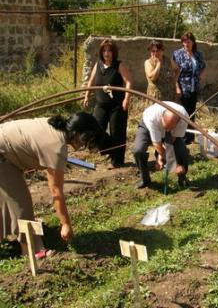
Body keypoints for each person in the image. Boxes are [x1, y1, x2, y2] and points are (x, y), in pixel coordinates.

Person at [0, 112, 108, 258]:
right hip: (3, 156)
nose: (84, 145)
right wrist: (65, 224)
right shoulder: (56, 147)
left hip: (7, 154)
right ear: (77, 134)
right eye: (85, 140)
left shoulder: (56, 128)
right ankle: (33, 251)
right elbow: (56, 192)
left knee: (8, 200)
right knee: (20, 203)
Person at [83, 38, 133, 169]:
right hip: (101, 104)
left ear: (113, 52)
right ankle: (110, 150)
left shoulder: (119, 65)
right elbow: (91, 81)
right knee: (95, 128)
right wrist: (87, 95)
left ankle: (117, 161)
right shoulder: (98, 64)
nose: (107, 53)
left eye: (109, 51)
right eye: (104, 51)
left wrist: (126, 98)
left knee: (117, 132)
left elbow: (128, 82)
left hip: (117, 105)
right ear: (101, 52)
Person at [133, 102, 190, 189]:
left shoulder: (183, 117)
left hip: (171, 133)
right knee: (138, 150)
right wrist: (172, 164)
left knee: (181, 151)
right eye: (166, 126)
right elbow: (156, 143)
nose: (167, 129)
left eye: (170, 127)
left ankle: (182, 177)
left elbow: (172, 140)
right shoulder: (152, 117)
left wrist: (162, 156)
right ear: (162, 117)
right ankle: (145, 179)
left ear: (177, 122)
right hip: (148, 127)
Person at [172, 32, 206, 144]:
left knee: (192, 112)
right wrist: (177, 87)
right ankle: (181, 137)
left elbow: (203, 66)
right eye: (184, 41)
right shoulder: (177, 54)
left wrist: (199, 77)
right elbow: (174, 72)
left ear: (193, 42)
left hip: (194, 87)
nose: (186, 43)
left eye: (188, 41)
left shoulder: (198, 54)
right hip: (182, 87)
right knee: (183, 113)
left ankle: (190, 137)